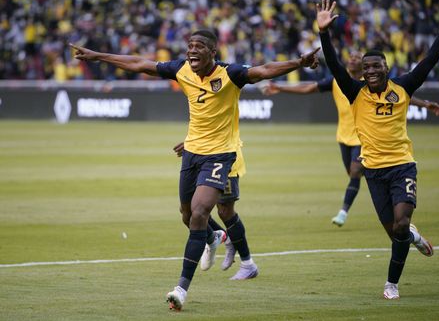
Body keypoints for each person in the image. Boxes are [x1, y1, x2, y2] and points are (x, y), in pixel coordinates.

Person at [70, 30, 320, 311]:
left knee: (201, 212)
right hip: (191, 154)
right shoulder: (181, 69)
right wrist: (96, 56)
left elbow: (264, 70)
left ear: (213, 52)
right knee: (187, 216)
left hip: (220, 156)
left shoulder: (230, 74)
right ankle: (214, 237)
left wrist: (299, 63)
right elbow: (139, 64)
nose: (192, 50)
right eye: (189, 46)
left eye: (199, 46)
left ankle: (181, 289)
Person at [316, 0, 439, 299]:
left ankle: (391, 284)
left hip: (401, 167)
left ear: (387, 68)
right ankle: (412, 237)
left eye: (376, 67)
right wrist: (323, 32)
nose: (370, 71)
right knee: (395, 233)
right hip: (373, 171)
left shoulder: (403, 86)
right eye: (366, 68)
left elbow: (430, 59)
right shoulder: (355, 92)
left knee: (400, 223)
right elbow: (333, 64)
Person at [263, 54, 439, 227]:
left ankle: (344, 211)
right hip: (343, 137)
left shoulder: (371, 86)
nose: (352, 60)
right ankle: (385, 188)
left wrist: (425, 103)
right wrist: (280, 88)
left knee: (356, 171)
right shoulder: (338, 82)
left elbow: (399, 97)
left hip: (364, 138)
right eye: (350, 58)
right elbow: (309, 88)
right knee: (352, 174)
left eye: (356, 58)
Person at [173, 139, 257, 280]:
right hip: (203, 156)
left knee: (225, 211)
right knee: (191, 208)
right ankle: (223, 237)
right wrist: (193, 142)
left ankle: (248, 264)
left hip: (225, 156)